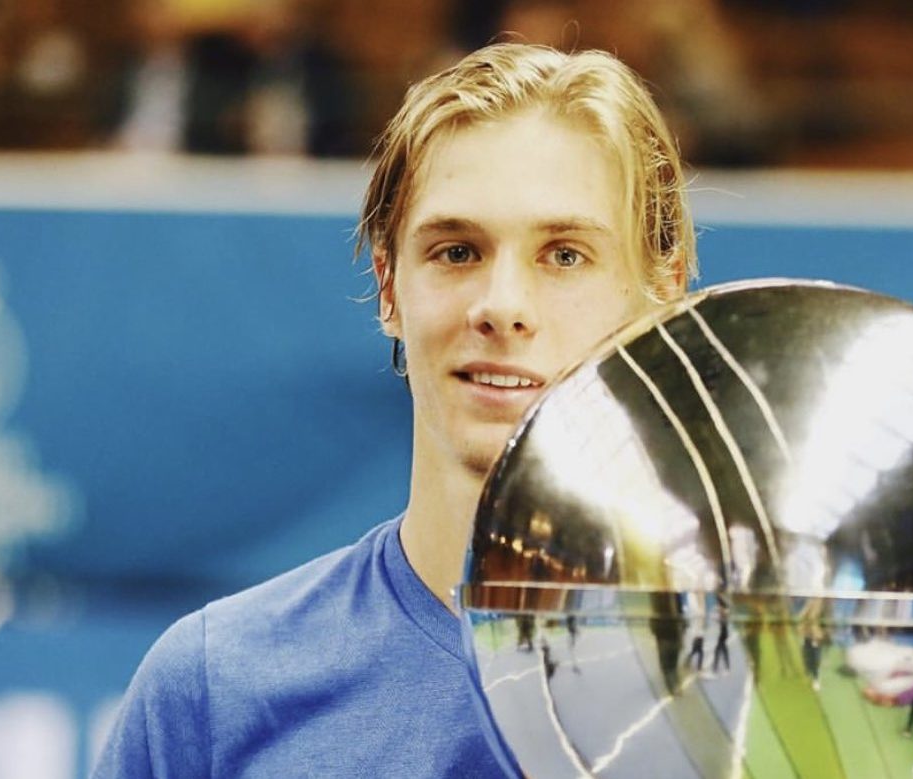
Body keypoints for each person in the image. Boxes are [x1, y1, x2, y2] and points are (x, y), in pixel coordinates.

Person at [92, 41, 697, 778]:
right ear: (388, 284)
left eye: (564, 254)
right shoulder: (214, 692)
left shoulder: (765, 693)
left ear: (661, 291)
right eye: (457, 251)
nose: (503, 306)